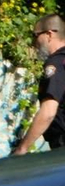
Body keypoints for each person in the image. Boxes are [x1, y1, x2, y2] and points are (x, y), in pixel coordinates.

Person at [12, 13, 65, 155]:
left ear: (49, 34)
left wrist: (22, 148)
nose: (34, 43)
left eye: (35, 36)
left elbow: (48, 111)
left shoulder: (57, 63)